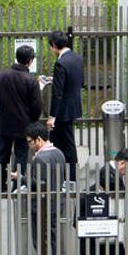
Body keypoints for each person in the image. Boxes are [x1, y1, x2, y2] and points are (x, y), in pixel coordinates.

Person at [0, 46, 42, 190]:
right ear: (30, 61)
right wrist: (32, 120)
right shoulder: (30, 80)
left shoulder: (2, 75)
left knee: (2, 154)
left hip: (5, 123)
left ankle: (0, 184)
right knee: (21, 156)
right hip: (24, 125)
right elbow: (37, 107)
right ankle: (18, 184)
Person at [22, 122, 65, 255]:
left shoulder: (40, 158)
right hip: (56, 203)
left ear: (38, 139)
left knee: (41, 241)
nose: (29, 145)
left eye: (30, 142)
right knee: (52, 239)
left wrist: (21, 178)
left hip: (41, 206)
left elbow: (37, 183)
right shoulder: (59, 153)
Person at [46, 30, 83, 181]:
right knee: (66, 142)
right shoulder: (76, 57)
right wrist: (56, 79)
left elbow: (58, 94)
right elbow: (80, 82)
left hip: (62, 110)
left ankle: (69, 177)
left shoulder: (61, 63)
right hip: (74, 105)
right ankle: (66, 176)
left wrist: (52, 116)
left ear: (54, 45)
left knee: (65, 144)